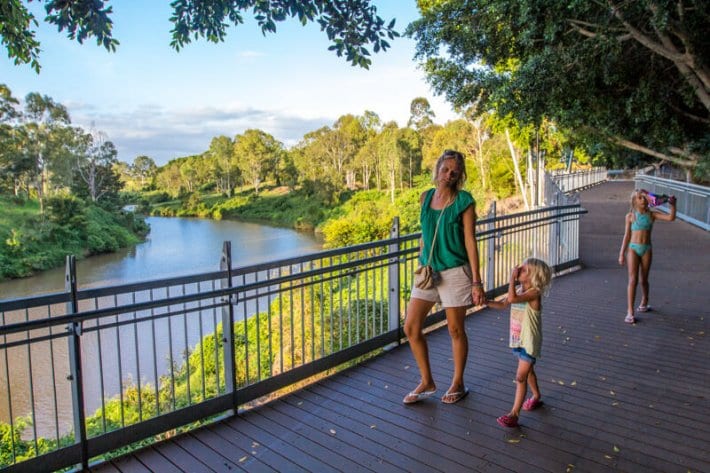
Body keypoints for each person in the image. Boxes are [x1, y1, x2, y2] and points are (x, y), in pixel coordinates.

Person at [402, 149, 485, 405]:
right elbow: (424, 234)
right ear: (437, 168)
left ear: (460, 176)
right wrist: (422, 256)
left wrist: (476, 281)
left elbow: (470, 241)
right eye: (446, 169)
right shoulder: (425, 198)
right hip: (428, 271)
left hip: (455, 271)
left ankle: (458, 383)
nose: (449, 174)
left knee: (455, 329)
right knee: (411, 327)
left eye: (455, 172)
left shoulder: (463, 201)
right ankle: (427, 380)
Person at [486, 258, 552, 428]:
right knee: (528, 371)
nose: (519, 270)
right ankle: (536, 396)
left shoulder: (534, 293)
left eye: (523, 269)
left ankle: (513, 414)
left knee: (520, 376)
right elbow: (503, 304)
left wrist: (510, 278)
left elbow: (513, 299)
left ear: (532, 276)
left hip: (529, 341)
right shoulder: (518, 289)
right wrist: (484, 302)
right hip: (518, 339)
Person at [618, 189, 676, 323]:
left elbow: (671, 218)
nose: (642, 200)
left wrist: (673, 205)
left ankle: (644, 301)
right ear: (634, 201)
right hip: (633, 248)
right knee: (632, 280)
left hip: (646, 249)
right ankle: (630, 311)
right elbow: (626, 236)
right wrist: (621, 253)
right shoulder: (630, 216)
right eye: (639, 198)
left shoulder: (652, 215)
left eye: (644, 198)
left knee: (643, 280)